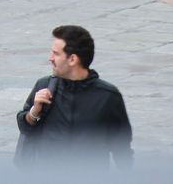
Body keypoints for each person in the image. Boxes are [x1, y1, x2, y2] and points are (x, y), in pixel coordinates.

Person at [15, 25, 132, 168]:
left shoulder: (107, 96)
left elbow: (122, 148)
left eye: (56, 54)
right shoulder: (45, 86)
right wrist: (34, 112)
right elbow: (26, 127)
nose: (50, 58)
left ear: (72, 59)